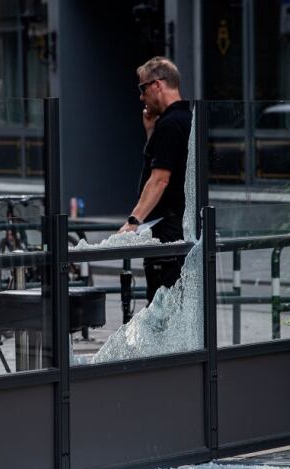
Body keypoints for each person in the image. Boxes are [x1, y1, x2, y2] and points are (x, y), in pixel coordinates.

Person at [119, 57, 192, 303]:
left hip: (167, 233)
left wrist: (133, 221)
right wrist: (150, 131)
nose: (141, 97)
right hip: (182, 227)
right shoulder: (188, 118)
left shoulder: (170, 125)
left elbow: (159, 179)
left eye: (142, 88)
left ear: (157, 85)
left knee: (162, 309)